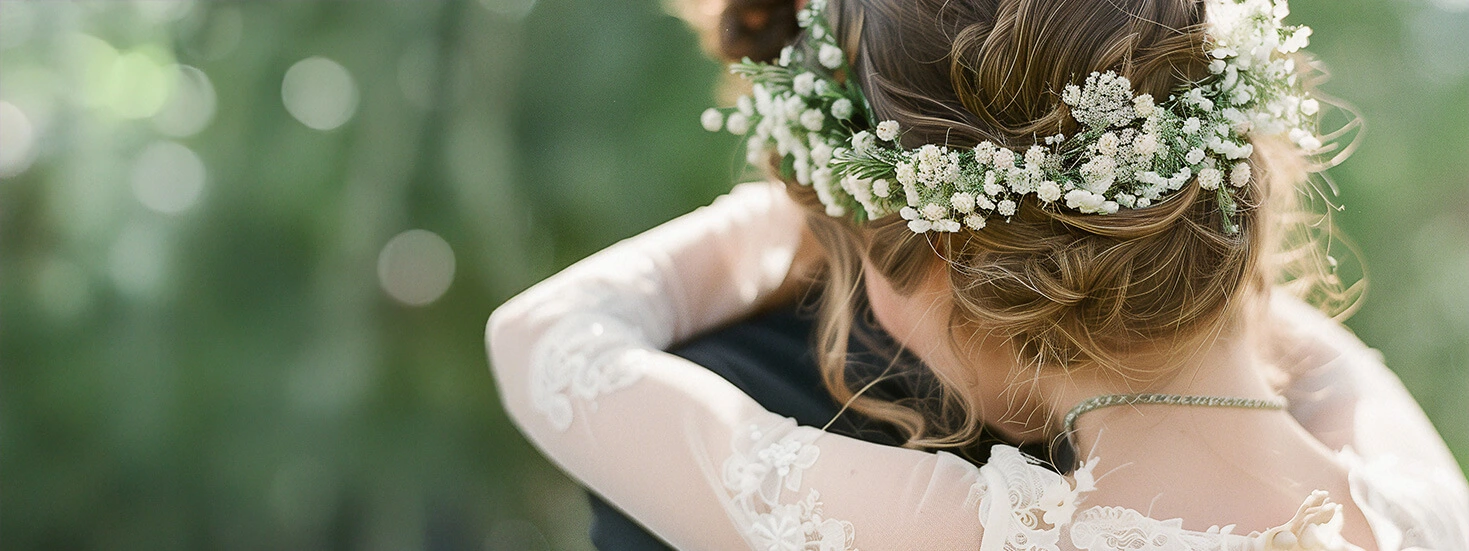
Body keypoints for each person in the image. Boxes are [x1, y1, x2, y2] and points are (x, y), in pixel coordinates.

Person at [487, 0, 1469, 549]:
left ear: (946, 261)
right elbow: (1308, 345)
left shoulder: (978, 536)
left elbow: (544, 342)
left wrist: (802, 207)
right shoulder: (1420, 506)